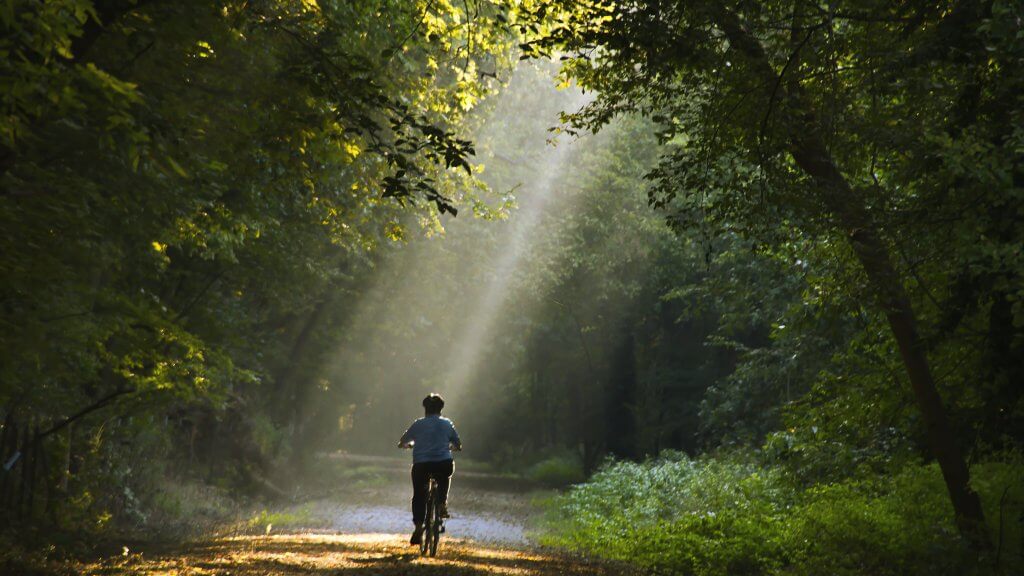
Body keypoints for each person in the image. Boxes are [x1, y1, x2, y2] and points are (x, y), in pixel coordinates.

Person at [397, 393, 461, 545]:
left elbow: (402, 442)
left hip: (422, 465)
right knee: (445, 475)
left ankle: (419, 528)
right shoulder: (447, 424)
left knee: (419, 495)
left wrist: (408, 445)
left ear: (425, 408)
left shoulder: (418, 424)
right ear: (441, 409)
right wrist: (452, 447)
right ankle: (442, 503)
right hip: (442, 463)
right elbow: (458, 444)